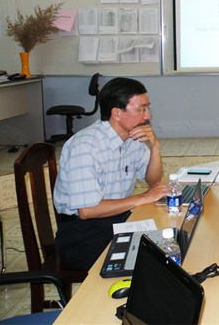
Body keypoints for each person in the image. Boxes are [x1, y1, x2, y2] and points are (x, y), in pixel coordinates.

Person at [53, 77, 169, 270]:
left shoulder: (132, 138)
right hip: (82, 237)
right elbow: (88, 210)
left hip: (115, 221)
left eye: (148, 109)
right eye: (141, 110)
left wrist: (155, 146)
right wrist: (142, 198)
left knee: (170, 238)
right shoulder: (86, 146)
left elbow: (153, 180)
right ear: (117, 113)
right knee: (157, 262)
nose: (147, 116)